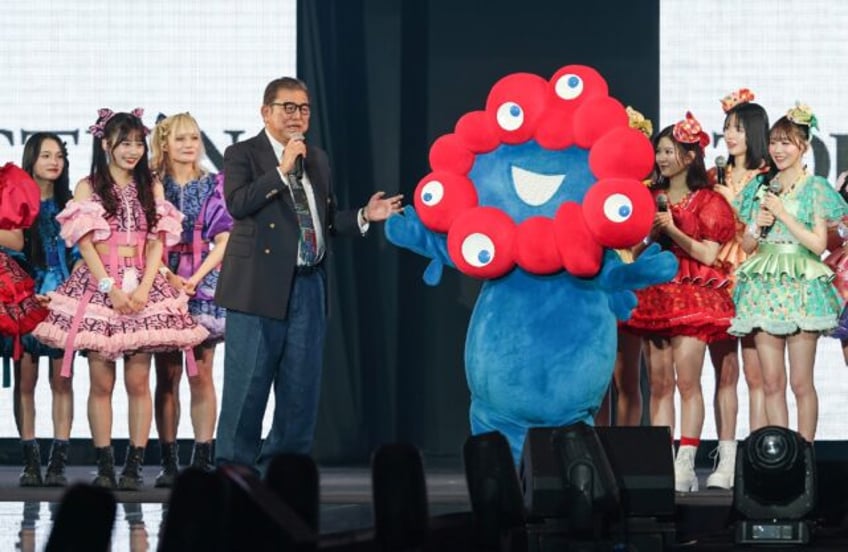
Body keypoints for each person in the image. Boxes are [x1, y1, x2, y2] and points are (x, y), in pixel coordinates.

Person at [214, 77, 403, 472]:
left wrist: (366, 216)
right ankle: (233, 475)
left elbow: (326, 221)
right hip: (258, 289)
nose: (297, 115)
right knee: (247, 388)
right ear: (266, 112)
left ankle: (282, 475)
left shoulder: (317, 158)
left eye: (303, 108)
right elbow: (237, 204)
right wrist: (281, 171)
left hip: (309, 285)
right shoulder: (242, 153)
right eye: (288, 107)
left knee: (301, 391)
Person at [32, 109, 209, 490]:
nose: (132, 151)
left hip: (142, 285)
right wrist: (110, 288)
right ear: (105, 143)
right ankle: (105, 465)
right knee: (100, 382)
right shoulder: (87, 185)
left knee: (140, 380)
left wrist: (144, 288)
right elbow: (84, 244)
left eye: (137, 143)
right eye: (124, 143)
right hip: (100, 285)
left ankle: (133, 465)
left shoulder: (152, 186)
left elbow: (157, 242)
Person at [623, 112, 736, 492]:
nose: (661, 158)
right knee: (658, 384)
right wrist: (650, 237)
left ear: (690, 156)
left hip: (692, 292)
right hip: (655, 292)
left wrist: (672, 229)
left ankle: (686, 463)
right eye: (659, 151)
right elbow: (637, 251)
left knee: (688, 381)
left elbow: (708, 255)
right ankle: (662, 460)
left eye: (669, 151)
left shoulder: (709, 201)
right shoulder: (648, 196)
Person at [729, 103, 848, 442]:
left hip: (800, 285)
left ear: (804, 146)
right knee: (771, 382)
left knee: (800, 382)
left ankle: (805, 455)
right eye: (774, 142)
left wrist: (782, 214)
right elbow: (749, 246)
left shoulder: (815, 189)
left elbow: (817, 244)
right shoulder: (761, 187)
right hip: (764, 284)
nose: (778, 150)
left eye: (787, 142)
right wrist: (757, 224)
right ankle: (779, 455)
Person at [150, 113, 233, 485]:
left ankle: (202, 460)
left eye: (195, 138)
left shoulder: (214, 185)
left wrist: (194, 281)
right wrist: (169, 278)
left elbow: (225, 241)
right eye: (181, 138)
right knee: (166, 376)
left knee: (202, 374)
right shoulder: (152, 185)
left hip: (203, 283)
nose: (189, 144)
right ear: (165, 142)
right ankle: (169, 462)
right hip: (161, 279)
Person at [702, 89, 771, 489]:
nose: (730, 136)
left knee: (759, 375)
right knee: (724, 374)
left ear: (755, 133)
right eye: (727, 128)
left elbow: (759, 233)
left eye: (739, 129)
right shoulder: (713, 176)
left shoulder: (768, 179)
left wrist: (733, 203)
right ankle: (726, 461)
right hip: (717, 275)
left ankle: (760, 457)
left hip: (755, 273)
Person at [1, 134, 78, 487]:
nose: (54, 161)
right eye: (46, 155)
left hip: (63, 298)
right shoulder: (14, 200)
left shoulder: (72, 204)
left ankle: (59, 461)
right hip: (24, 299)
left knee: (62, 381)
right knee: (25, 381)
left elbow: (81, 254)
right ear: (31, 158)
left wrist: (67, 292)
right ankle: (30, 460)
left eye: (59, 155)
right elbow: (11, 251)